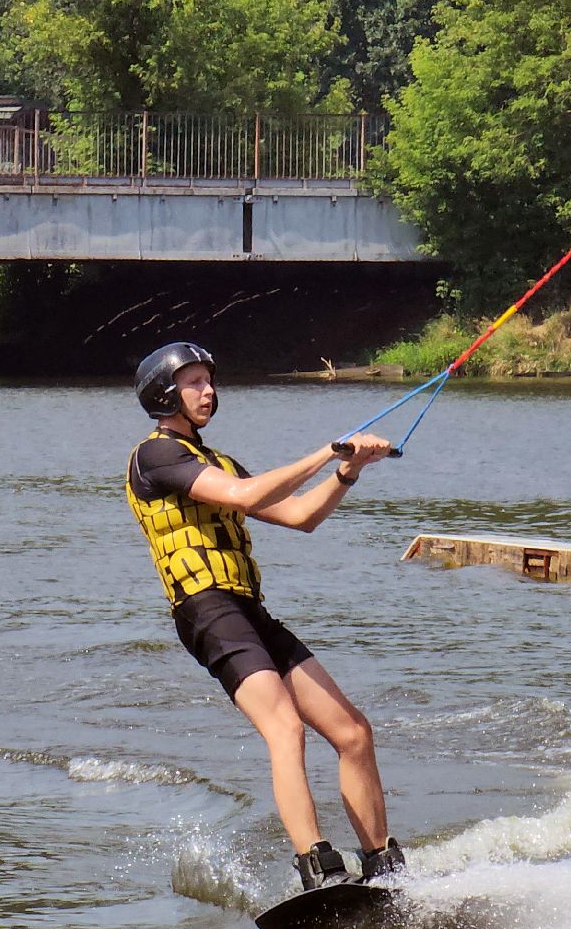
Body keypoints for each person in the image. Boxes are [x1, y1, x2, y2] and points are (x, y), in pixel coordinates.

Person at [125, 341, 406, 891]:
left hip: (249, 610)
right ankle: (317, 869)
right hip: (205, 611)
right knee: (284, 727)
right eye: (195, 383)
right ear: (164, 393)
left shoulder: (219, 460)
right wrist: (325, 452)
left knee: (352, 732)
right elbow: (244, 494)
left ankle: (383, 867)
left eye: (210, 381)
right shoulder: (155, 456)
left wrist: (347, 472)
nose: (208, 391)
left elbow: (301, 515)